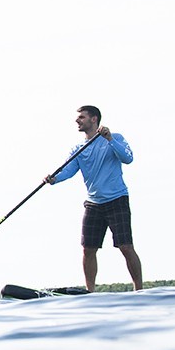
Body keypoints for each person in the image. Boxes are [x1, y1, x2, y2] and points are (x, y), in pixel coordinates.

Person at [43, 105, 143, 291]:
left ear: (94, 119)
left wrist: (110, 139)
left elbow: (127, 158)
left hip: (117, 199)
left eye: (81, 117)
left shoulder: (115, 138)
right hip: (94, 204)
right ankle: (90, 292)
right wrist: (54, 179)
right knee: (88, 249)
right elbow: (69, 170)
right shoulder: (79, 148)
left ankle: (139, 290)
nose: (77, 121)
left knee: (125, 246)